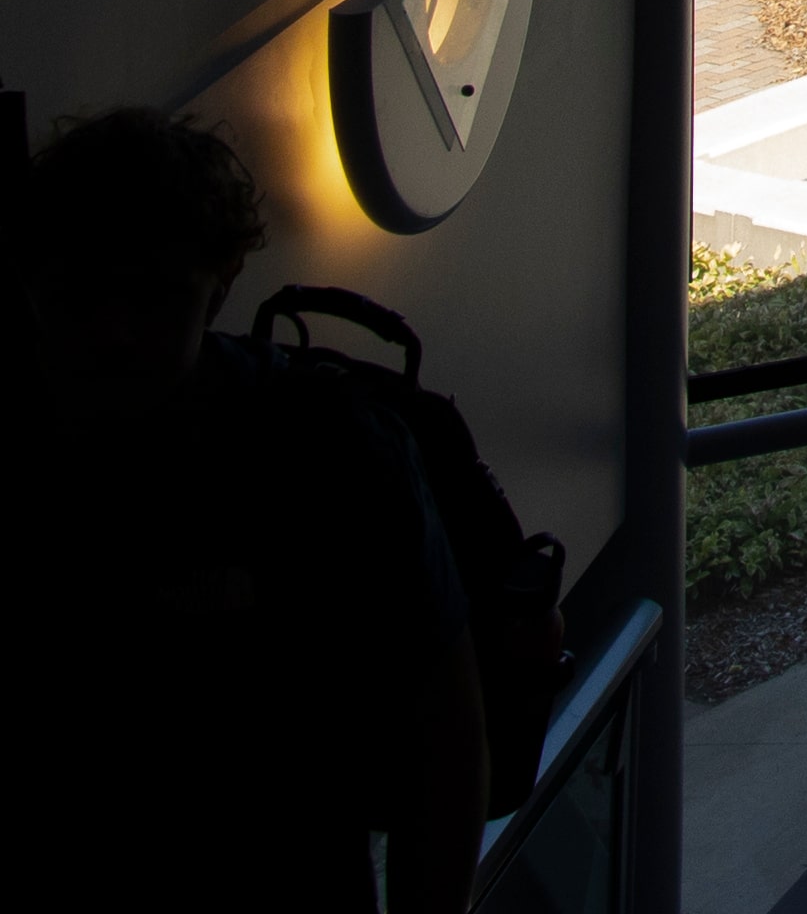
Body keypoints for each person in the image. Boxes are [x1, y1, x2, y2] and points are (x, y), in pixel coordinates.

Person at [2, 107, 487, 914]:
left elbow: (444, 733)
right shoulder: (330, 447)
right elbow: (443, 734)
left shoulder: (329, 449)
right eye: (84, 296)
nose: (116, 332)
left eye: (152, 297)